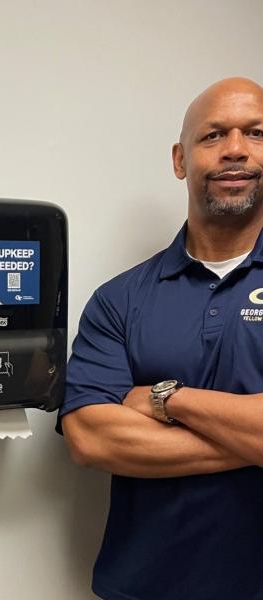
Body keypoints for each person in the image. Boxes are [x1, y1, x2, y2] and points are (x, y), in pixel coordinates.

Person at [60, 77, 263, 600]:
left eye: (256, 133)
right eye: (213, 135)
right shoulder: (120, 299)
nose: (235, 149)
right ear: (180, 159)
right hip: (145, 586)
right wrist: (250, 438)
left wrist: (166, 399)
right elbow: (90, 438)